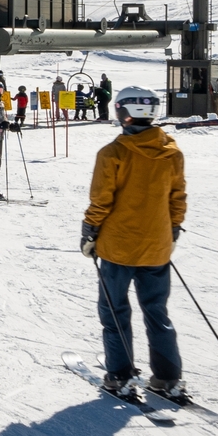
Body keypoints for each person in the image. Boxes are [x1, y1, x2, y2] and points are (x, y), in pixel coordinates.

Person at [81, 86, 187, 397]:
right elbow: (177, 198)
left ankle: (120, 374)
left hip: (118, 249)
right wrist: (174, 229)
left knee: (114, 311)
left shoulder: (113, 153)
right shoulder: (171, 152)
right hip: (156, 247)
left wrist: (90, 231)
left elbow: (101, 200)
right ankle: (167, 377)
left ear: (122, 113)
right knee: (156, 311)